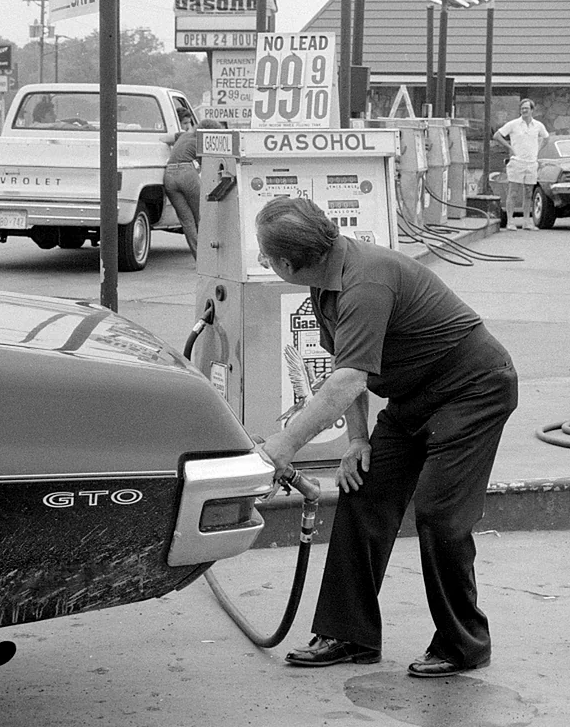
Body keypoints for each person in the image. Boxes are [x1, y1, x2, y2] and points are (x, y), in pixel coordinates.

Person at [255, 197, 518, 678]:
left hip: (472, 390)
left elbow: (348, 380)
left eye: (265, 256)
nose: (262, 262)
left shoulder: (365, 281)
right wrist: (357, 441)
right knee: (364, 490)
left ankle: (464, 644)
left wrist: (281, 447)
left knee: (439, 513)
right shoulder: (326, 280)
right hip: (413, 397)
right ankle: (349, 634)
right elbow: (347, 367)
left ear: (287, 263)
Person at [163, 115, 222, 259]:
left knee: (186, 221)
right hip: (187, 173)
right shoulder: (201, 142)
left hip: (169, 175)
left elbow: (165, 138)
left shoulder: (183, 136)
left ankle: (198, 257)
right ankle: (208, 258)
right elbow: (209, 167)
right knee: (201, 216)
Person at [493, 99, 549, 230]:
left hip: (531, 163)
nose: (524, 111)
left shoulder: (538, 125)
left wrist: (537, 150)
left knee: (529, 192)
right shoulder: (513, 124)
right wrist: (510, 147)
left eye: (527, 108)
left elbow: (546, 138)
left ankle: (526, 222)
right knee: (513, 192)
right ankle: (510, 222)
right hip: (517, 162)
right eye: (522, 108)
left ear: (532, 110)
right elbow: (497, 135)